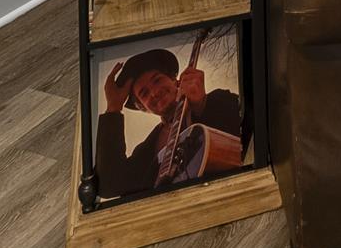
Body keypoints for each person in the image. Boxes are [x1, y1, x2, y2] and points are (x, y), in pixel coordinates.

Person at [93, 45, 243, 198]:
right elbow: (108, 185)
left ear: (175, 81)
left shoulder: (219, 101)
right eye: (144, 93)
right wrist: (113, 109)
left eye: (157, 80)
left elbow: (247, 132)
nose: (154, 92)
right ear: (143, 108)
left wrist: (201, 105)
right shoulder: (145, 152)